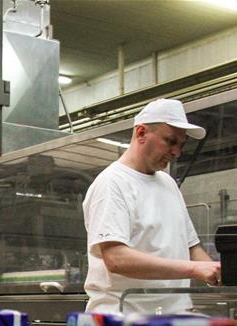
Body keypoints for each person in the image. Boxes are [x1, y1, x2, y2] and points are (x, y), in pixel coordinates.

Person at [83, 98, 221, 314]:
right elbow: (117, 259)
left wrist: (220, 275)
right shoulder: (112, 183)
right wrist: (195, 269)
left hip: (170, 318)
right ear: (141, 133)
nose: (177, 152)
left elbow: (191, 247)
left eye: (181, 145)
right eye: (170, 141)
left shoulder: (168, 183)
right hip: (123, 320)